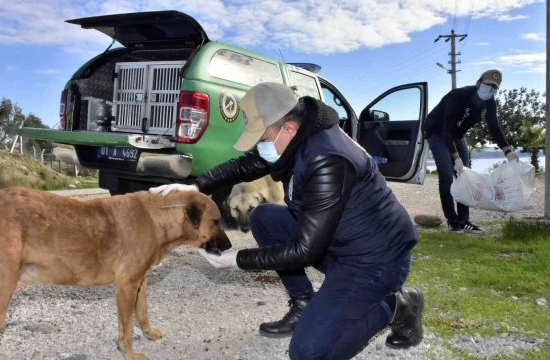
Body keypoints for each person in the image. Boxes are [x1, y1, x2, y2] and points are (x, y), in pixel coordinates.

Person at [150, 82, 424, 360]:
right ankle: (304, 302)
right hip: (339, 242)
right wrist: (196, 187)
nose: (260, 147)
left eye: (262, 139)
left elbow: (306, 250)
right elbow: (246, 164)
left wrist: (237, 259)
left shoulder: (328, 160)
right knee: (265, 217)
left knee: (310, 352)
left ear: (289, 129)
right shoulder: (299, 135)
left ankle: (398, 305)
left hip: (374, 260)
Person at [424, 69, 519, 233]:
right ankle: (453, 221)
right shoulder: (458, 95)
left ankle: (464, 220)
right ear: (478, 82)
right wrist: (456, 158)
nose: (490, 89)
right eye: (488, 85)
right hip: (438, 132)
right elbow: (446, 130)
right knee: (447, 176)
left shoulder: (489, 102)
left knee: (465, 176)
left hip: (458, 135)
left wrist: (508, 151)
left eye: (494, 88)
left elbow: (495, 128)